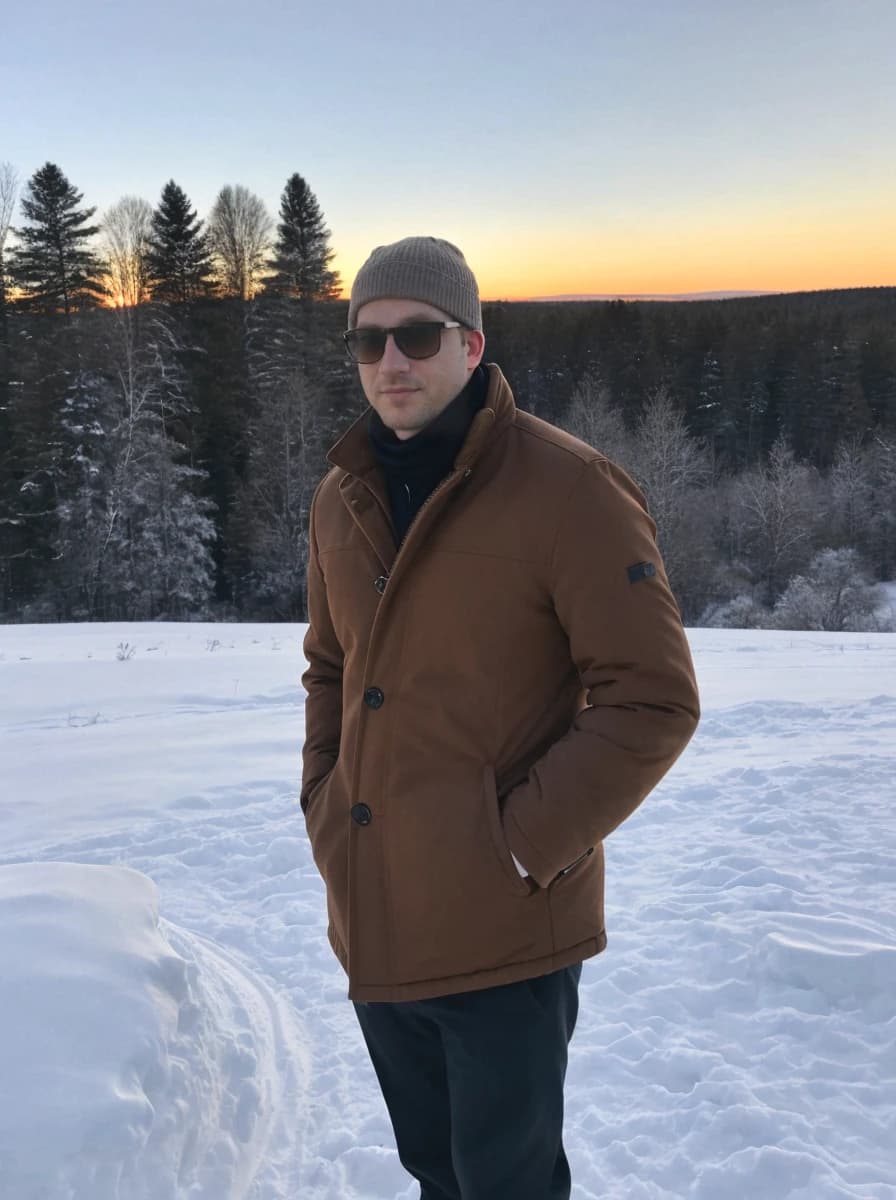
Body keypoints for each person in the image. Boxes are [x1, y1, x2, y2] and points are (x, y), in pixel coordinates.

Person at [300, 236, 700, 1200]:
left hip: (504, 930)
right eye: (369, 341)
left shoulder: (570, 490)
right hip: (376, 913)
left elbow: (654, 697)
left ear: (471, 346)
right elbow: (329, 666)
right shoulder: (337, 497)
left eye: (418, 336)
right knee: (436, 1173)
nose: (391, 362)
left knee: (508, 1183)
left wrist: (519, 848)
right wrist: (325, 797)